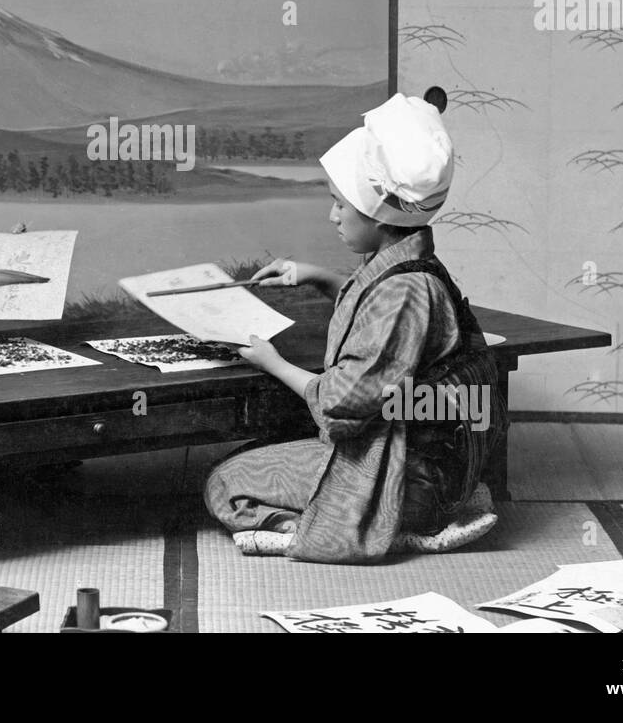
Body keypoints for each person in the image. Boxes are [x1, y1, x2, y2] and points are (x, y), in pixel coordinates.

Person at [203, 92, 503, 562]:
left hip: (408, 475)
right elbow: (380, 313)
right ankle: (392, 517)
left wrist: (273, 362)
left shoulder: (405, 292)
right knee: (247, 456)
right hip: (430, 458)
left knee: (222, 483)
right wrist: (319, 276)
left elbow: (344, 401)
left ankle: (378, 527)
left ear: (378, 213)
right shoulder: (410, 262)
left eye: (340, 204)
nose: (332, 216)